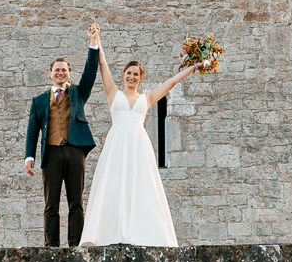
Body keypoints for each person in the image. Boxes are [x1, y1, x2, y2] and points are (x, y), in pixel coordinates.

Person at [78, 38, 204, 247]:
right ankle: (105, 233)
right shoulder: (113, 93)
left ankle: (142, 233)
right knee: (112, 185)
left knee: (140, 186)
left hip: (138, 146)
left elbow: (172, 82)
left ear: (141, 78)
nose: (131, 77)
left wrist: (194, 66)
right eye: (129, 73)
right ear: (124, 75)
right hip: (117, 143)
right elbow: (103, 65)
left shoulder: (147, 97)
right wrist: (97, 39)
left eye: (136, 74)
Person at [24, 24, 102, 246]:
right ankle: (51, 246)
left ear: (69, 73)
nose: (60, 72)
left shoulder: (78, 93)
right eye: (57, 70)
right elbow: (32, 131)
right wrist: (29, 157)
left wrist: (93, 42)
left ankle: (76, 244)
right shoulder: (39, 101)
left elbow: (90, 71)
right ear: (51, 73)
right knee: (51, 203)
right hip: (51, 153)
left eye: (64, 70)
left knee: (76, 202)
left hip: (76, 150)